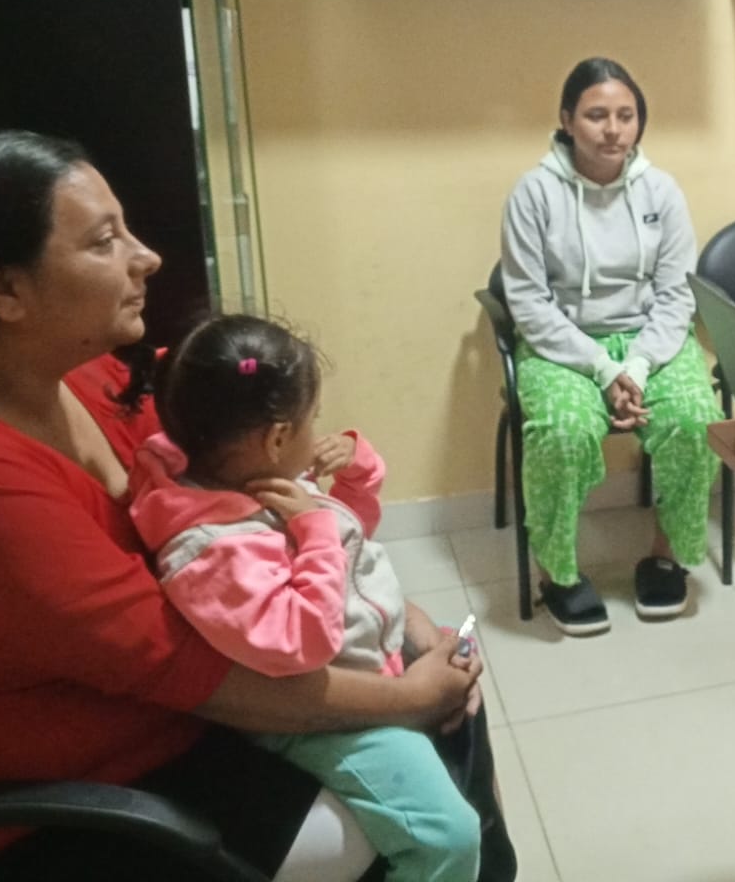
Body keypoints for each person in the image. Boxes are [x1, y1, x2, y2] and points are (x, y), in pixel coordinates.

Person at [0, 131, 508, 882]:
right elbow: (185, 668)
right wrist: (404, 695)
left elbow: (244, 482)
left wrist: (390, 617)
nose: (146, 257)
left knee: (447, 700)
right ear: (4, 290)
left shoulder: (80, 374)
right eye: (104, 241)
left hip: (190, 713)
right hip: (77, 800)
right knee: (434, 797)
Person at [128, 313, 480, 882]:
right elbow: (303, 642)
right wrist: (314, 528)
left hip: (368, 657)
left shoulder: (248, 476)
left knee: (465, 715)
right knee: (449, 836)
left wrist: (356, 471)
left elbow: (351, 537)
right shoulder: (213, 549)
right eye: (312, 420)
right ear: (275, 439)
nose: (318, 432)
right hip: (327, 718)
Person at [500, 57, 722, 635]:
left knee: (696, 419)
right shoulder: (533, 194)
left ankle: (665, 557)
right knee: (562, 431)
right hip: (565, 345)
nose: (613, 130)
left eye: (626, 116)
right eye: (596, 115)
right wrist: (602, 368)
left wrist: (639, 367)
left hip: (651, 342)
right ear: (566, 120)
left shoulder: (661, 191)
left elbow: (677, 294)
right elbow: (528, 303)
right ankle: (557, 574)